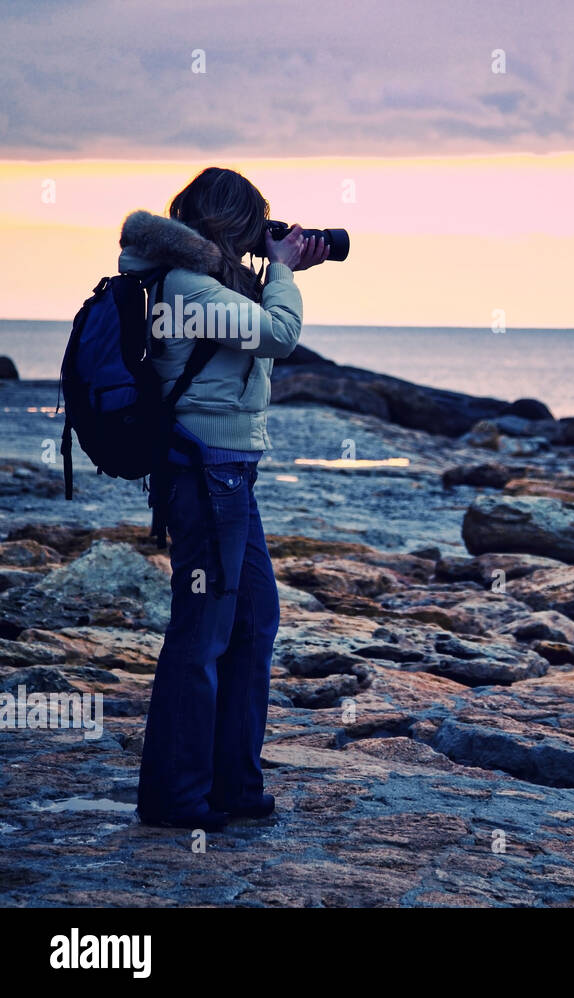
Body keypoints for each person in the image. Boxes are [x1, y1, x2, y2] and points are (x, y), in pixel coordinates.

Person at [117, 167, 328, 830]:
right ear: (230, 222)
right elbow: (280, 335)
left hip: (231, 470)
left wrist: (276, 269)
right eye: (253, 224)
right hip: (205, 470)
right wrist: (286, 270)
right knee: (203, 630)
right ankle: (177, 797)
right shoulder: (183, 282)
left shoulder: (205, 279)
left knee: (254, 621)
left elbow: (254, 330)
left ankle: (233, 783)